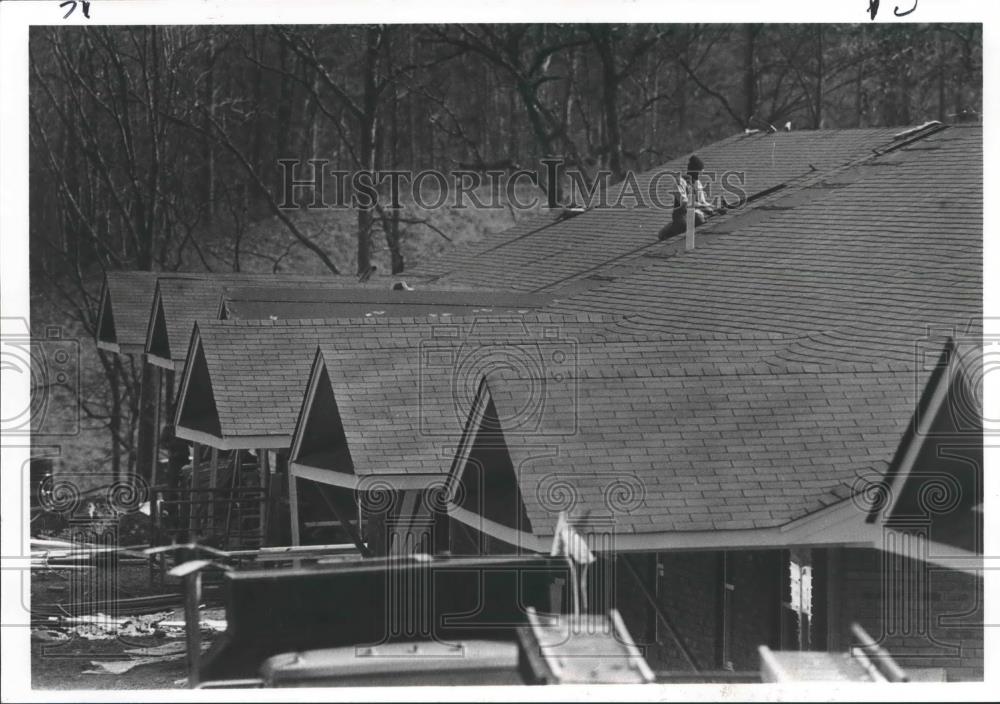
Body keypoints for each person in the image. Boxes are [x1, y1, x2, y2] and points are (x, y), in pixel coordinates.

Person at [658, 155, 719, 240]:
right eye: (699, 172)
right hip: (681, 215)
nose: (700, 175)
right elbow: (685, 203)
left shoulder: (697, 183)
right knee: (685, 225)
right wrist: (704, 207)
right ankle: (666, 231)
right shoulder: (680, 182)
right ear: (693, 170)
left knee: (700, 219)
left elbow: (703, 202)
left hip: (694, 213)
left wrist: (714, 208)